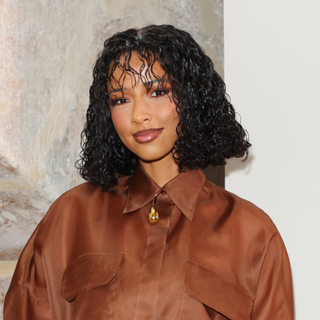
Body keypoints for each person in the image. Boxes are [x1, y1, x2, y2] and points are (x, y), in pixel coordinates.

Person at [4, 25, 294, 320]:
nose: (138, 114)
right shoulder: (71, 217)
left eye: (157, 92)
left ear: (191, 98)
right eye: (121, 99)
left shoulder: (252, 233)